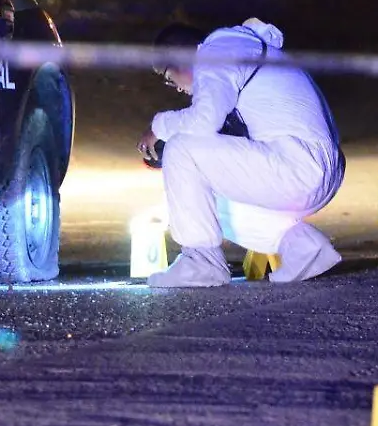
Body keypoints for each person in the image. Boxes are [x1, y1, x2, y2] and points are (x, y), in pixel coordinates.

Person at [137, 18, 345, 287]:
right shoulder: (245, 50)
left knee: (181, 148)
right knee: (204, 201)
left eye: (169, 77)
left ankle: (201, 262)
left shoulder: (216, 52)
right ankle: (301, 247)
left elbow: (203, 121)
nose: (176, 87)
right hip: (315, 169)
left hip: (296, 165)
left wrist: (158, 127)